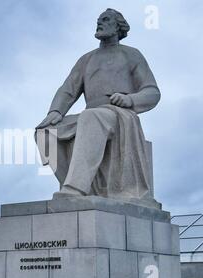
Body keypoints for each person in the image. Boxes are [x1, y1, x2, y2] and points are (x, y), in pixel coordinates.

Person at [36, 8, 160, 206]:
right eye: (98, 20)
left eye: (105, 19)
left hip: (119, 114)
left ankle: (75, 188)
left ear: (118, 26)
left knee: (92, 117)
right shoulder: (87, 59)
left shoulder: (132, 55)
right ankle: (78, 186)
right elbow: (67, 89)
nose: (99, 23)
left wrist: (130, 100)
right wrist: (55, 111)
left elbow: (152, 92)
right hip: (91, 116)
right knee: (45, 133)